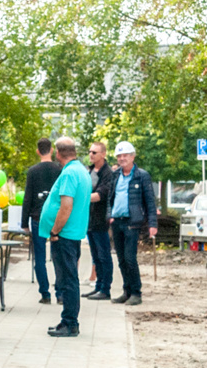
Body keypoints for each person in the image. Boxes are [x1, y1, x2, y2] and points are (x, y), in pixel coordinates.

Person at [41, 137, 91, 337]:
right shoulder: (81, 171)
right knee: (69, 278)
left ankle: (70, 323)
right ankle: (68, 320)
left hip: (65, 234)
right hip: (73, 233)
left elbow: (66, 206)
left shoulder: (70, 173)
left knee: (68, 279)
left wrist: (54, 230)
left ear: (58, 154)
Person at [106, 141, 159, 306]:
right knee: (121, 259)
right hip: (117, 221)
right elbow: (110, 199)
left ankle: (136, 292)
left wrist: (152, 224)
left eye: (125, 155)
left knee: (130, 258)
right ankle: (127, 291)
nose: (122, 159)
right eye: (119, 156)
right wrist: (110, 215)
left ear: (132, 156)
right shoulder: (115, 175)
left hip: (132, 222)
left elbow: (150, 202)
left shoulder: (142, 176)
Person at [22, 137, 62, 304]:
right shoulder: (60, 169)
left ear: (38, 151)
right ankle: (60, 294)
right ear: (52, 150)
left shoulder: (33, 171)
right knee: (58, 255)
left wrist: (24, 223)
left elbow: (28, 197)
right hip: (56, 218)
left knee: (39, 256)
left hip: (38, 217)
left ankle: (45, 293)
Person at [84, 142, 115, 300]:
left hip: (101, 219)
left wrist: (81, 198)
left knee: (104, 255)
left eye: (95, 152)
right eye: (90, 152)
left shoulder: (107, 173)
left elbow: (101, 195)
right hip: (89, 220)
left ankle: (105, 289)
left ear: (103, 154)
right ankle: (98, 286)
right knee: (95, 256)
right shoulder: (89, 171)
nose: (91, 155)